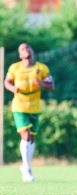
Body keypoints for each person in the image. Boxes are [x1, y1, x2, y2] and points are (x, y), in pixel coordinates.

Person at [4, 43, 54, 182]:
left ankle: (26, 165)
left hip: (35, 107)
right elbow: (6, 82)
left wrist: (41, 84)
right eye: (22, 49)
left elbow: (51, 85)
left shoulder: (41, 68)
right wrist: (13, 89)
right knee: (25, 136)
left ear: (32, 51)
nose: (25, 50)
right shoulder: (14, 67)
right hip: (19, 106)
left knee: (31, 138)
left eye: (27, 48)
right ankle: (26, 169)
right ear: (20, 55)